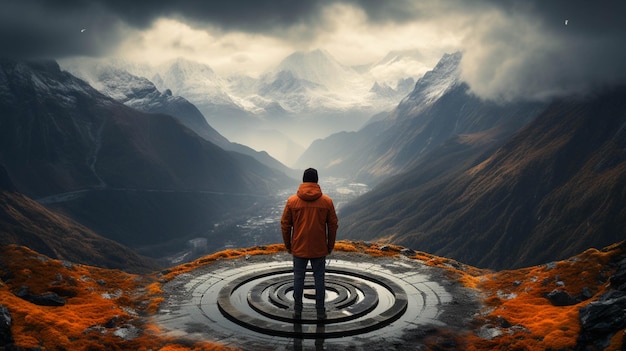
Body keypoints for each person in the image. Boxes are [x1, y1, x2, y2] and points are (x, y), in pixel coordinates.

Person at [281, 168, 338, 321]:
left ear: (303, 180)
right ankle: (320, 311)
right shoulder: (327, 201)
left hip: (298, 247)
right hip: (319, 248)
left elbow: (285, 225)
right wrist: (330, 245)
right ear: (317, 181)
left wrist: (288, 245)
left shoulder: (292, 201)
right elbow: (333, 225)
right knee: (319, 277)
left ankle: (297, 310)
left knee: (298, 278)